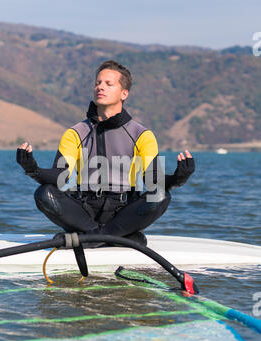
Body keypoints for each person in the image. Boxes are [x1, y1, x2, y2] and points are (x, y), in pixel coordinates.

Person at [16, 60, 195, 246]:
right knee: (44, 193)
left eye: (109, 84)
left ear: (124, 93)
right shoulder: (75, 133)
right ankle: (113, 238)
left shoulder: (142, 135)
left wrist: (179, 177)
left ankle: (90, 238)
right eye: (98, 83)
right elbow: (59, 177)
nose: (100, 87)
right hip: (83, 212)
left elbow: (154, 181)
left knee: (160, 196)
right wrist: (32, 169)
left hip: (123, 214)